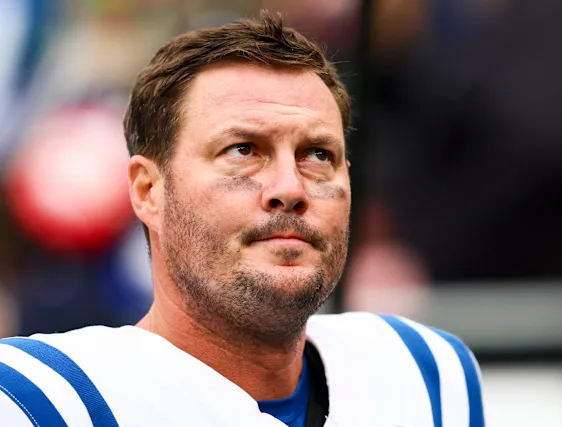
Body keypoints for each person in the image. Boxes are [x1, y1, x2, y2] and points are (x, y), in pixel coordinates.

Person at [0, 11, 485, 427]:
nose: (290, 188)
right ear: (148, 190)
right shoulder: (42, 400)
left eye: (318, 154)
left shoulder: (426, 373)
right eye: (243, 150)